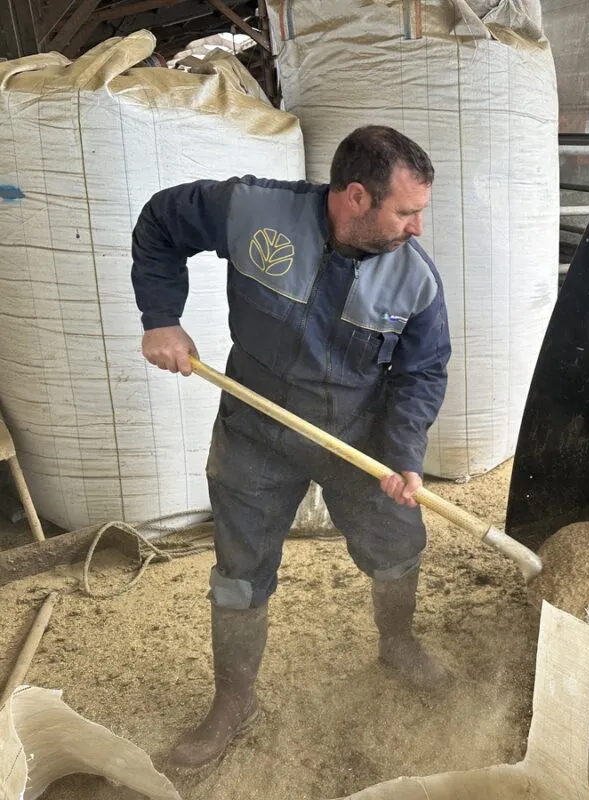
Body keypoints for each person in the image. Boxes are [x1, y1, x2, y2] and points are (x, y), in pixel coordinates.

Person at [130, 125, 451, 772]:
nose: (417, 228)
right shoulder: (252, 212)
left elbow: (423, 372)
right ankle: (234, 700)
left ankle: (398, 641)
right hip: (256, 429)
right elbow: (161, 222)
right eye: (406, 211)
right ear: (356, 197)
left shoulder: (414, 282)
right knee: (239, 572)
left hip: (356, 439)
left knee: (396, 545)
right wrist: (161, 317)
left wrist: (405, 453)